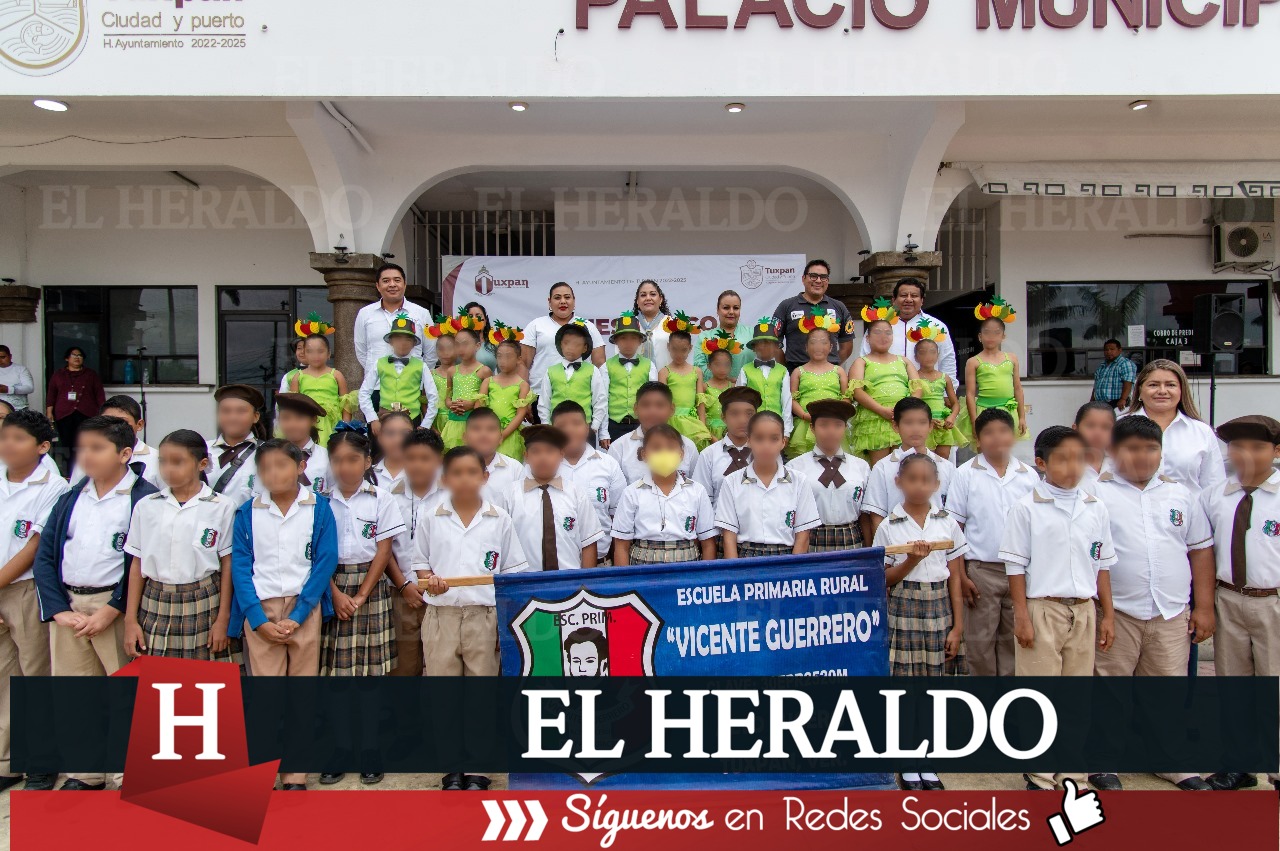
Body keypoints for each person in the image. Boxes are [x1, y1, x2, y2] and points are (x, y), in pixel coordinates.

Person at [1087, 414, 1216, 793]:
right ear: (1114, 452)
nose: (1142, 458)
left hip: (1171, 612)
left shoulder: (1181, 495)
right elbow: (1092, 556)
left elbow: (1200, 552)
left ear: (1161, 453)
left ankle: (1170, 760)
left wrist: (1204, 607)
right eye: (1132, 450)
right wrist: (1105, 611)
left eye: (1150, 449)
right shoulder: (1097, 494)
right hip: (1117, 612)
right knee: (1109, 689)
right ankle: (1103, 760)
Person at [33, 415, 158, 791]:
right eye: (82, 449)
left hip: (115, 606)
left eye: (97, 449)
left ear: (124, 453)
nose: (86, 457)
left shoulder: (144, 498)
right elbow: (46, 556)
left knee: (126, 695)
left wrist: (114, 608)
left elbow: (143, 562)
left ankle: (127, 773)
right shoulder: (71, 496)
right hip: (70, 605)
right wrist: (59, 609)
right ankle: (84, 772)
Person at [1000, 425, 1116, 793]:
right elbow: (1016, 566)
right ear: (1041, 463)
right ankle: (1040, 774)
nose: (1072, 467)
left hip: (1082, 609)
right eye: (1062, 459)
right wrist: (1021, 616)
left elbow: (1102, 565)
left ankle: (1072, 773)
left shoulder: (1094, 508)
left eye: (1078, 458)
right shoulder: (1026, 508)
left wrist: (1107, 613)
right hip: (1042, 609)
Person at [413, 446, 528, 791]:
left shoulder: (499, 519)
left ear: (485, 477)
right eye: (456, 473)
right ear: (445, 479)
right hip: (441, 615)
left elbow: (511, 572)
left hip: (484, 616)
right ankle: (452, 767)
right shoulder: (431, 515)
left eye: (472, 472)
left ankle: (479, 766)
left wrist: (503, 625)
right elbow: (419, 562)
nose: (464, 479)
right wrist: (430, 581)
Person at [228, 439, 338, 791]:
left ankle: (295, 774)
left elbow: (324, 562)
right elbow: (241, 568)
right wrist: (257, 619)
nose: (273, 473)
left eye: (281, 465)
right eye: (265, 468)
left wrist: (302, 612)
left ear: (301, 467)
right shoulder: (248, 512)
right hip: (261, 609)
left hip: (304, 608)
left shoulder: (318, 509)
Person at [872, 453, 968, 791]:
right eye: (911, 479)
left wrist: (957, 625)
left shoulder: (947, 522)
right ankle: (908, 764)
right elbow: (885, 578)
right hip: (903, 606)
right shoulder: (889, 525)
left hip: (938, 605)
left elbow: (955, 577)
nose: (919, 485)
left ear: (937, 484)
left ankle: (928, 762)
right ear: (899, 482)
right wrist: (912, 559)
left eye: (926, 480)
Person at [1197, 414, 1280, 793]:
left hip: (1273, 603)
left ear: (1275, 451)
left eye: (1258, 447)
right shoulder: (1216, 495)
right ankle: (1239, 765)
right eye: (1238, 447)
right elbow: (1203, 550)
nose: (1246, 455)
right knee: (1234, 687)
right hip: (1229, 599)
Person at [121, 429, 239, 664]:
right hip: (155, 600)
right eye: (163, 462)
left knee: (206, 685)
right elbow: (137, 564)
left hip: (205, 599)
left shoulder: (221, 506)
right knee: (161, 685)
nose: (168, 470)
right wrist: (130, 620)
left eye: (178, 462)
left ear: (201, 464)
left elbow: (228, 564)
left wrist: (223, 618)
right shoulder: (147, 506)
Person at [319, 430, 402, 763]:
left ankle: (369, 748)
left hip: (372, 586)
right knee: (336, 678)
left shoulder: (382, 499)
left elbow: (384, 551)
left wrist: (363, 593)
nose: (345, 467)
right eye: (337, 460)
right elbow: (316, 554)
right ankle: (340, 748)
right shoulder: (319, 501)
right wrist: (336, 594)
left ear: (367, 461)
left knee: (371, 678)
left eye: (352, 459)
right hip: (329, 583)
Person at [0, 408, 69, 792]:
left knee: (35, 676)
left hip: (24, 589)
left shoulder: (52, 486)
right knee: (4, 679)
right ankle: (8, 760)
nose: (8, 444)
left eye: (18, 438)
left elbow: (34, 546)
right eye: (4, 436)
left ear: (43, 447)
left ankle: (43, 761)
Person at [946, 408, 1039, 678]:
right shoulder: (965, 474)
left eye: (1003, 431)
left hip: (1019, 571)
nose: (997, 438)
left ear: (1015, 435)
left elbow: (1036, 526)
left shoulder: (1028, 476)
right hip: (981, 570)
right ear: (978, 439)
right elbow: (956, 528)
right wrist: (961, 574)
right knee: (980, 643)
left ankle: (1009, 708)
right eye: (988, 433)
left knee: (1013, 640)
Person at [716, 411, 820, 559]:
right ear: (749, 441)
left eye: (774, 439)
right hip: (746, 558)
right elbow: (729, 537)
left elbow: (802, 536)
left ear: (783, 442)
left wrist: (792, 574)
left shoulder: (799, 481)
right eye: (759, 439)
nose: (766, 446)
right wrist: (736, 574)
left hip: (787, 558)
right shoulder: (732, 482)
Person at [611, 425, 717, 566]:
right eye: (656, 448)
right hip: (642, 564)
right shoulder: (631, 493)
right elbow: (621, 546)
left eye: (671, 448)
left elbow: (708, 543)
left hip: (687, 563)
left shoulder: (697, 491)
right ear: (644, 455)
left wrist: (704, 580)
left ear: (681, 454)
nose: (664, 454)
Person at [387, 428, 445, 678]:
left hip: (442, 594)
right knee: (405, 666)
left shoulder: (454, 496)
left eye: (426, 458)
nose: (418, 465)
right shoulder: (390, 496)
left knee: (439, 665)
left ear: (439, 460)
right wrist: (403, 586)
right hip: (401, 593)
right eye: (411, 458)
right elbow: (384, 548)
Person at [506, 425, 602, 570]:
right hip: (524, 583)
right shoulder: (510, 495)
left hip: (569, 582)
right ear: (526, 456)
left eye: (550, 451)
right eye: (536, 451)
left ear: (561, 455)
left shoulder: (576, 493)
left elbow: (588, 542)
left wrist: (584, 584)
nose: (543, 457)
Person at [1124, 359, 1224, 496]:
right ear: (1140, 391)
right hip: (1132, 515)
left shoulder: (1202, 432)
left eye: (1170, 385)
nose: (1162, 391)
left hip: (1189, 515)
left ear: (1182, 391)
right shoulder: (1117, 428)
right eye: (1153, 385)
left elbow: (1214, 487)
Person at [550, 401, 627, 567]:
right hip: (556, 569)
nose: (569, 430)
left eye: (576, 424)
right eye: (562, 425)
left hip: (601, 565)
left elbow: (618, 519)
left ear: (587, 428)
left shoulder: (608, 464)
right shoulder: (542, 468)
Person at [863, 398, 954, 539]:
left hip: (937, 545)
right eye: (908, 423)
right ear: (895, 426)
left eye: (922, 422)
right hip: (897, 546)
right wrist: (885, 553)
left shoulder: (945, 466)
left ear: (930, 426)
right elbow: (877, 516)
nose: (916, 428)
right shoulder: (883, 467)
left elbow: (951, 512)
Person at [788, 400, 872, 551]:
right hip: (810, 539)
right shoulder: (795, 467)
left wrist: (870, 549)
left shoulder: (861, 466)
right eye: (824, 425)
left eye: (837, 425)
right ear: (812, 428)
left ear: (845, 427)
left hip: (852, 538)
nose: (831, 431)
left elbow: (865, 515)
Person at [849, 307, 923, 467]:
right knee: (880, 466)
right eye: (877, 332)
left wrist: (905, 409)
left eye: (888, 332)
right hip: (874, 418)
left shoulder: (903, 361)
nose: (883, 336)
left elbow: (917, 387)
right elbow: (857, 391)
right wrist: (881, 410)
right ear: (867, 338)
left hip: (903, 418)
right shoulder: (862, 362)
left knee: (904, 465)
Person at [857, 278, 958, 384]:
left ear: (922, 300)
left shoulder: (936, 326)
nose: (909, 300)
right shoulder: (878, 325)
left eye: (914, 296)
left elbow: (947, 361)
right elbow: (864, 357)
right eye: (903, 295)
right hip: (886, 390)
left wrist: (948, 394)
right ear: (894, 300)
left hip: (927, 392)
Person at [957, 305, 1028, 449]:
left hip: (1008, 409)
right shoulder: (973, 361)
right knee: (985, 448)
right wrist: (974, 420)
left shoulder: (1012, 358)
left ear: (1003, 336)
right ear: (980, 336)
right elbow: (970, 394)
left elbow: (1018, 388)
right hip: (984, 409)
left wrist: (1022, 417)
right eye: (987, 333)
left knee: (1004, 448)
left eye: (996, 333)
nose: (991, 337)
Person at [357, 313, 438, 434]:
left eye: (408, 339)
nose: (403, 342)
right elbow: (364, 392)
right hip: (384, 419)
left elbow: (433, 396)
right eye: (398, 338)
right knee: (382, 451)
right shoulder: (379, 363)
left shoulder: (421, 365)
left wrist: (426, 424)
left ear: (413, 343)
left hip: (412, 419)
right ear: (390, 341)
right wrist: (372, 418)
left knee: (409, 452)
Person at [354, 263, 436, 378]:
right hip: (376, 384)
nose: (392, 285)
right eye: (386, 281)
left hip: (410, 384)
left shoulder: (422, 313)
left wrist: (420, 377)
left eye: (397, 280)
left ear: (405, 284)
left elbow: (431, 351)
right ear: (378, 286)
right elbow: (361, 351)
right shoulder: (365, 313)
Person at [607, 382, 698, 484]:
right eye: (645, 405)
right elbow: (615, 493)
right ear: (636, 409)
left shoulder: (687, 446)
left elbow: (695, 488)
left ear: (671, 409)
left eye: (660, 405)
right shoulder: (619, 448)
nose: (652, 412)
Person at [772, 259, 855, 371]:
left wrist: (830, 367)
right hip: (795, 371)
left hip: (830, 374)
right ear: (803, 278)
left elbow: (847, 345)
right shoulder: (786, 306)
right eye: (813, 276)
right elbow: (774, 342)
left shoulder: (839, 307)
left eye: (823, 277)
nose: (818, 280)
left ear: (828, 281)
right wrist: (787, 370)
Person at [536, 321, 608, 448]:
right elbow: (544, 401)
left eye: (576, 344)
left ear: (585, 348)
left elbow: (600, 400)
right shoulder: (551, 371)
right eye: (566, 343)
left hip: (584, 429)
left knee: (585, 461)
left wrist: (594, 426)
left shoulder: (592, 370)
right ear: (560, 345)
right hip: (557, 429)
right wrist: (547, 425)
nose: (570, 347)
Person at [786, 319, 848, 459]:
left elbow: (846, 396)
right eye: (813, 342)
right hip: (806, 423)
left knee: (833, 459)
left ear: (831, 347)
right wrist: (804, 415)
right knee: (807, 461)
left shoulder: (838, 371)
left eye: (823, 342)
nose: (818, 346)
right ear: (806, 347)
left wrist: (836, 414)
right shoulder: (798, 371)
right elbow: (792, 399)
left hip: (832, 421)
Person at [70, 395, 161, 487]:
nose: (113, 428)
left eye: (122, 422)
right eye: (106, 422)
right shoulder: (87, 458)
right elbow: (73, 495)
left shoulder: (157, 460)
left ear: (139, 424)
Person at [522, 282, 605, 379]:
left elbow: (600, 364)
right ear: (549, 301)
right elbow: (523, 364)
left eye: (567, 297)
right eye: (557, 297)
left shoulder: (588, 326)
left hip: (580, 391)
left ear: (574, 300)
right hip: (540, 391)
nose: (563, 301)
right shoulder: (536, 325)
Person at [692, 387, 761, 505]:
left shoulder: (766, 453)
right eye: (734, 414)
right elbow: (701, 500)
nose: (742, 420)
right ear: (723, 417)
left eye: (749, 414)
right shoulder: (709, 455)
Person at [45, 345, 106, 473]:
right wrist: (49, 412)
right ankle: (69, 472)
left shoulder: (91, 374)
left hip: (87, 414)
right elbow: (51, 393)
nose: (77, 358)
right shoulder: (59, 375)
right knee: (67, 443)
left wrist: (103, 413)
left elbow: (99, 394)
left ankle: (86, 469)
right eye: (74, 355)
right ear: (67, 358)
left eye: (80, 355)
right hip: (64, 414)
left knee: (85, 443)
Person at [207, 384, 269, 507]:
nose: (233, 417)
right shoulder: (202, 450)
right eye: (226, 411)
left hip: (248, 524)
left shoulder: (268, 453)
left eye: (241, 411)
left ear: (255, 417)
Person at [660, 323, 714, 452]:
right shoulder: (664, 372)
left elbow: (700, 401)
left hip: (692, 422)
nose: (679, 354)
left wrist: (702, 425)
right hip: (671, 421)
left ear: (690, 348)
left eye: (683, 350)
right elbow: (662, 402)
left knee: (693, 453)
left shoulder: (697, 371)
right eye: (674, 349)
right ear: (668, 347)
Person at [737, 317, 793, 439]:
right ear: (754, 347)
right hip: (752, 426)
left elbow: (786, 401)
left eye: (768, 343)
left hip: (776, 425)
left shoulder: (783, 371)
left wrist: (787, 431)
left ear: (776, 347)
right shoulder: (745, 369)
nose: (764, 347)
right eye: (760, 343)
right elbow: (740, 401)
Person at [605, 311, 657, 441]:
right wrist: (603, 432)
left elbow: (653, 397)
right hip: (615, 424)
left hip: (642, 423)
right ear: (616, 341)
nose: (628, 342)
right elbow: (602, 399)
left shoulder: (649, 365)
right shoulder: (606, 366)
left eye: (633, 338)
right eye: (623, 338)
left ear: (640, 341)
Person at [290, 331, 349, 446]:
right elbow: (292, 404)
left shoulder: (336, 375)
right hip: (307, 422)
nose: (315, 356)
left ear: (329, 353)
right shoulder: (298, 376)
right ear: (304, 354)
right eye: (310, 351)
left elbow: (346, 402)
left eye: (320, 351)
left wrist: (345, 424)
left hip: (332, 422)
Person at [482, 335, 534, 462]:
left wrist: (502, 435)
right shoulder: (488, 381)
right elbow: (480, 409)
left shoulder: (522, 385)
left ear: (518, 359)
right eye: (499, 356)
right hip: (488, 432)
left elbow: (520, 414)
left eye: (508, 356)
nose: (503, 360)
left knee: (508, 467)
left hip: (509, 435)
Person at [463, 407, 526, 511]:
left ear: (501, 438)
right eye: (476, 429)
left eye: (491, 429)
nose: (483, 435)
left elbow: (521, 511)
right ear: (465, 437)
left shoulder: (515, 469)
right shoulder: (452, 468)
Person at [440, 329, 493, 450]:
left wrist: (472, 404)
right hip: (454, 421)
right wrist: (451, 405)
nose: (461, 348)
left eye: (465, 343)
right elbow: (447, 398)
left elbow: (489, 399)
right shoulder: (452, 371)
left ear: (477, 345)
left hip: (473, 422)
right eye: (457, 344)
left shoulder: (484, 371)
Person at [271, 392, 331, 496]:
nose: (292, 424)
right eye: (286, 418)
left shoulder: (327, 457)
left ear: (313, 420)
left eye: (300, 418)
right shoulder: (269, 456)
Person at [915, 337, 963, 460]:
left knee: (942, 461)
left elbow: (955, 404)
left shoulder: (944, 377)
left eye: (932, 352)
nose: (928, 356)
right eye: (923, 352)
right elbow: (913, 404)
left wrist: (951, 417)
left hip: (942, 424)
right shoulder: (914, 377)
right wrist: (926, 419)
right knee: (925, 460)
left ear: (938, 355)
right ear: (916, 357)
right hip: (924, 424)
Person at [693, 290, 753, 381]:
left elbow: (760, 364)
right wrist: (725, 380)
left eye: (736, 308)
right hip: (714, 392)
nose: (731, 312)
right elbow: (699, 367)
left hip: (746, 391)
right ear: (717, 310)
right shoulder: (705, 337)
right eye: (726, 308)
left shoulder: (752, 334)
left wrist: (742, 382)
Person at [1074, 401, 1116, 492]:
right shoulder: (1063, 466)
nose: (1097, 433)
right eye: (1090, 425)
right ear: (1075, 429)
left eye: (1106, 427)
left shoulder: (1121, 465)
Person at [632, 280, 673, 372]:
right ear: (637, 301)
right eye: (643, 295)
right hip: (636, 381)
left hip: (667, 381)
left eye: (653, 294)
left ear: (660, 299)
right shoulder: (630, 325)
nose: (648, 298)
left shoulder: (673, 324)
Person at [701, 345, 738, 441]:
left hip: (731, 431)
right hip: (710, 432)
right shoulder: (705, 387)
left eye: (726, 365)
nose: (722, 369)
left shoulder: (734, 387)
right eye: (718, 364)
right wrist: (709, 435)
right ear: (709, 366)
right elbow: (701, 412)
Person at [373, 410, 414, 492]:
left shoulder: (427, 475)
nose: (397, 440)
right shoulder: (366, 475)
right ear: (380, 438)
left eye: (405, 433)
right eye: (390, 433)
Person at [1092, 339, 1137, 409]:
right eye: (1106, 350)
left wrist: (1123, 399)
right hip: (1101, 403)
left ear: (1119, 350)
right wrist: (1092, 401)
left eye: (1112, 349)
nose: (1109, 352)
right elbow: (1096, 386)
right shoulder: (1102, 366)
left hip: (1118, 403)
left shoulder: (1125, 364)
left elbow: (1128, 382)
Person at [429, 329, 456, 435]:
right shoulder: (431, 375)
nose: (445, 353)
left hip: (457, 420)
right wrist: (431, 426)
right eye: (441, 349)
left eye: (450, 348)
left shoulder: (461, 373)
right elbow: (424, 401)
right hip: (436, 420)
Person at [461, 302, 499, 371]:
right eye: (470, 316)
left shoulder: (495, 343)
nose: (474, 319)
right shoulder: (458, 344)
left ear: (485, 320)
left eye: (478, 316)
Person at [0, 345, 34, 410]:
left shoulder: (21, 369)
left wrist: (8, 389)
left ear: (10, 356)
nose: (0, 360)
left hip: (19, 409)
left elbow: (29, 388)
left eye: (3, 357)